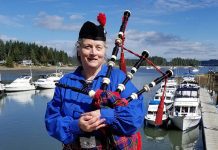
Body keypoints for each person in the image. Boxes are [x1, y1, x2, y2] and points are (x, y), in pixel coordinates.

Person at [45, 14, 146, 150]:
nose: (93, 52)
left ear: (104, 52)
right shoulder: (65, 82)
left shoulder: (118, 78)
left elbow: (135, 117)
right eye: (87, 46)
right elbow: (51, 121)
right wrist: (76, 126)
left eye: (98, 47)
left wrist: (105, 115)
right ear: (79, 50)